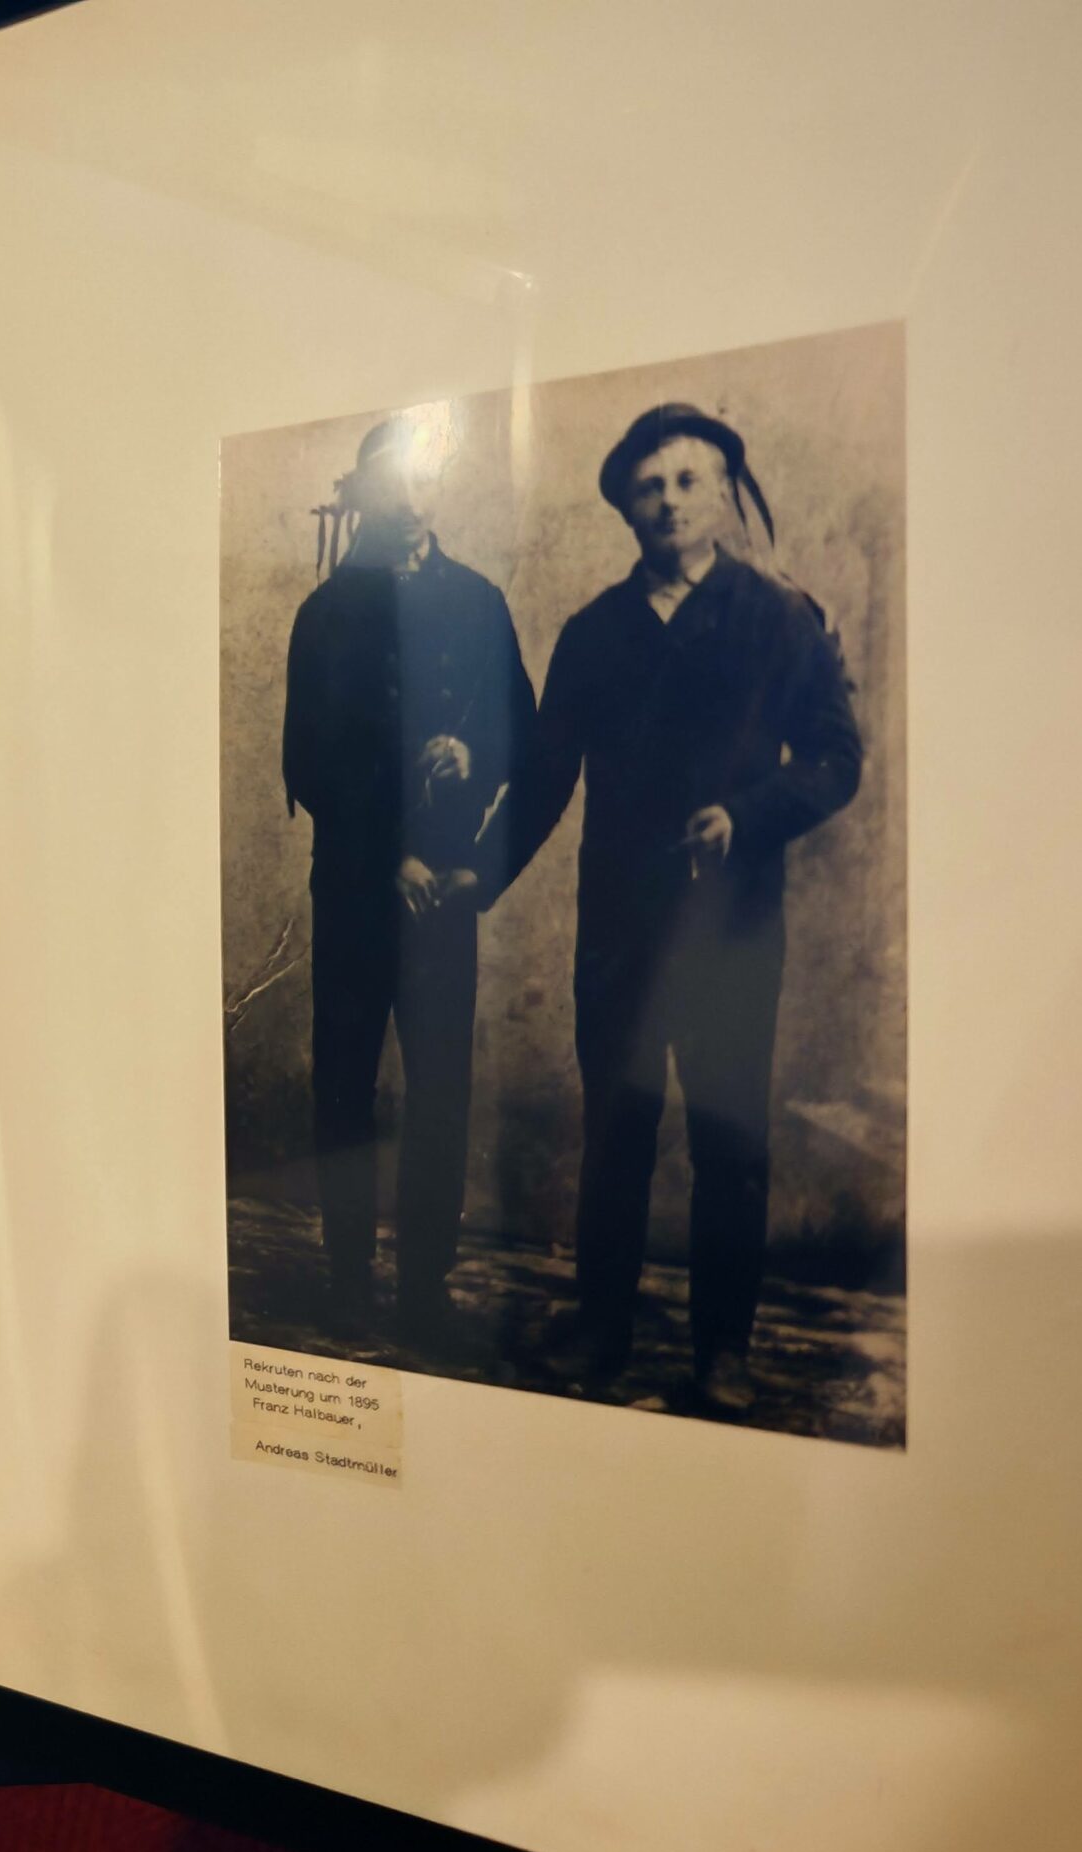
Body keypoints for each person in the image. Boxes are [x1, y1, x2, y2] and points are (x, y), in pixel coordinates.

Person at [464, 403, 862, 1413]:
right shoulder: (594, 634)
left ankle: (722, 1351)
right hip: (621, 931)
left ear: (722, 491)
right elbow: (545, 779)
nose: (669, 502)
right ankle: (601, 1330)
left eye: (688, 481)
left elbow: (834, 758)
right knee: (617, 1131)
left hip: (732, 929)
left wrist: (748, 816)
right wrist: (478, 874)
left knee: (730, 1142)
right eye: (649, 487)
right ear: (625, 507)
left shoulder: (777, 619)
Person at [280, 415, 535, 1342]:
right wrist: (389, 855)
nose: (409, 500)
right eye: (390, 485)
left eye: (423, 481)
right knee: (344, 1086)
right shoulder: (325, 614)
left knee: (439, 1092)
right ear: (366, 496)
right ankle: (348, 1278)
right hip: (356, 887)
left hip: (443, 898)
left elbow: (527, 736)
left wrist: (474, 756)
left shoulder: (477, 603)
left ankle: (426, 1284)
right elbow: (308, 762)